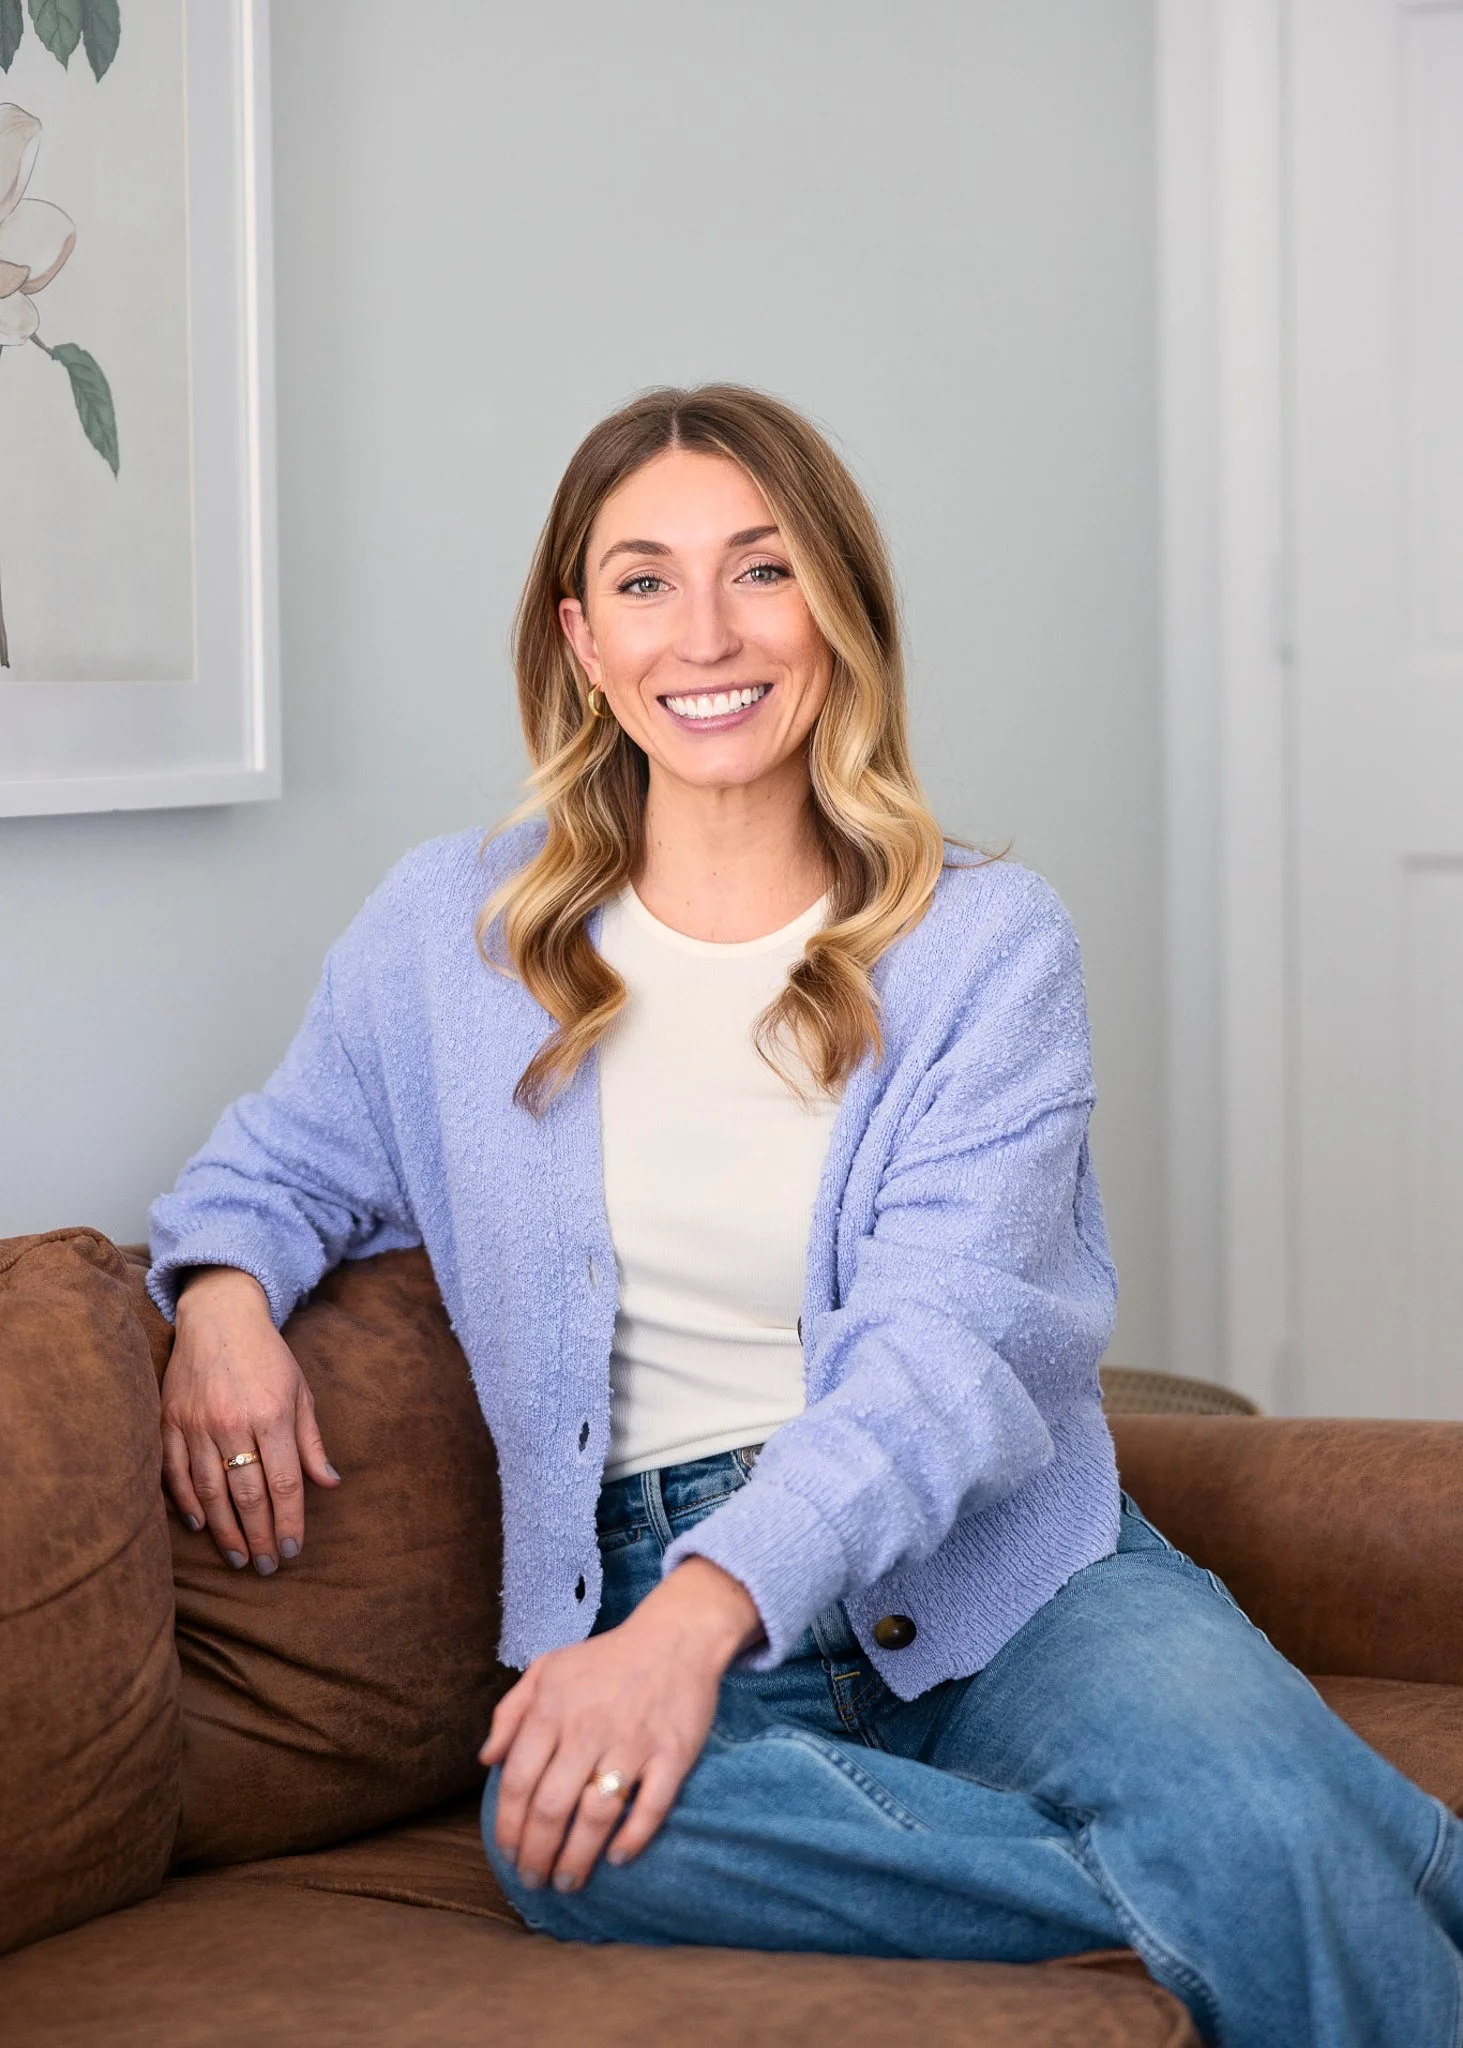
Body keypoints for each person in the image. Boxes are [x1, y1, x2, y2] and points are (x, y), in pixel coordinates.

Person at [149, 385, 1463, 2047]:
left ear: (838, 608)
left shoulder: (986, 944)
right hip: (635, 1576)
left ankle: (1278, 1848)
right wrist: (219, 1304)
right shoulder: (448, 935)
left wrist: (709, 1608)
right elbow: (273, 1172)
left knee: (1247, 1816)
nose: (705, 631)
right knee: (567, 1849)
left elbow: (952, 1351)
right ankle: (1347, 1859)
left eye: (760, 571)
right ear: (580, 637)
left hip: (1006, 1576)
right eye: (642, 581)